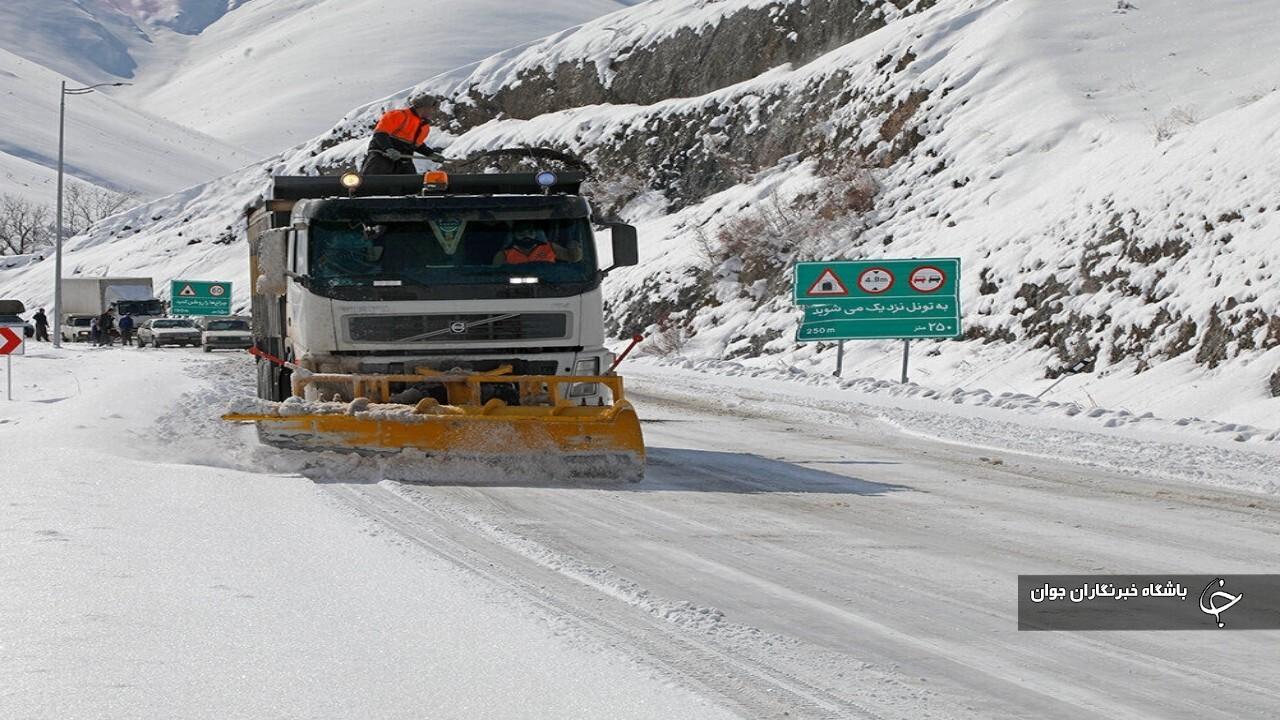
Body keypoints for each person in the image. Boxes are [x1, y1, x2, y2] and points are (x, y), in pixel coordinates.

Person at [359, 96, 445, 175]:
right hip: (382, 156)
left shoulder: (424, 127)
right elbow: (380, 134)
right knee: (373, 182)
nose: (435, 112)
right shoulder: (399, 115)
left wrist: (430, 154)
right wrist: (389, 149)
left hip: (404, 159)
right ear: (425, 107)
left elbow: (417, 145)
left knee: (410, 185)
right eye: (433, 109)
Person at [493, 223, 581, 265]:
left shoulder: (550, 247)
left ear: (536, 234)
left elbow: (573, 258)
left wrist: (573, 247)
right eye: (521, 233)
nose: (526, 236)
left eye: (530, 232)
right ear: (513, 235)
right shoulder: (504, 254)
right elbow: (495, 275)